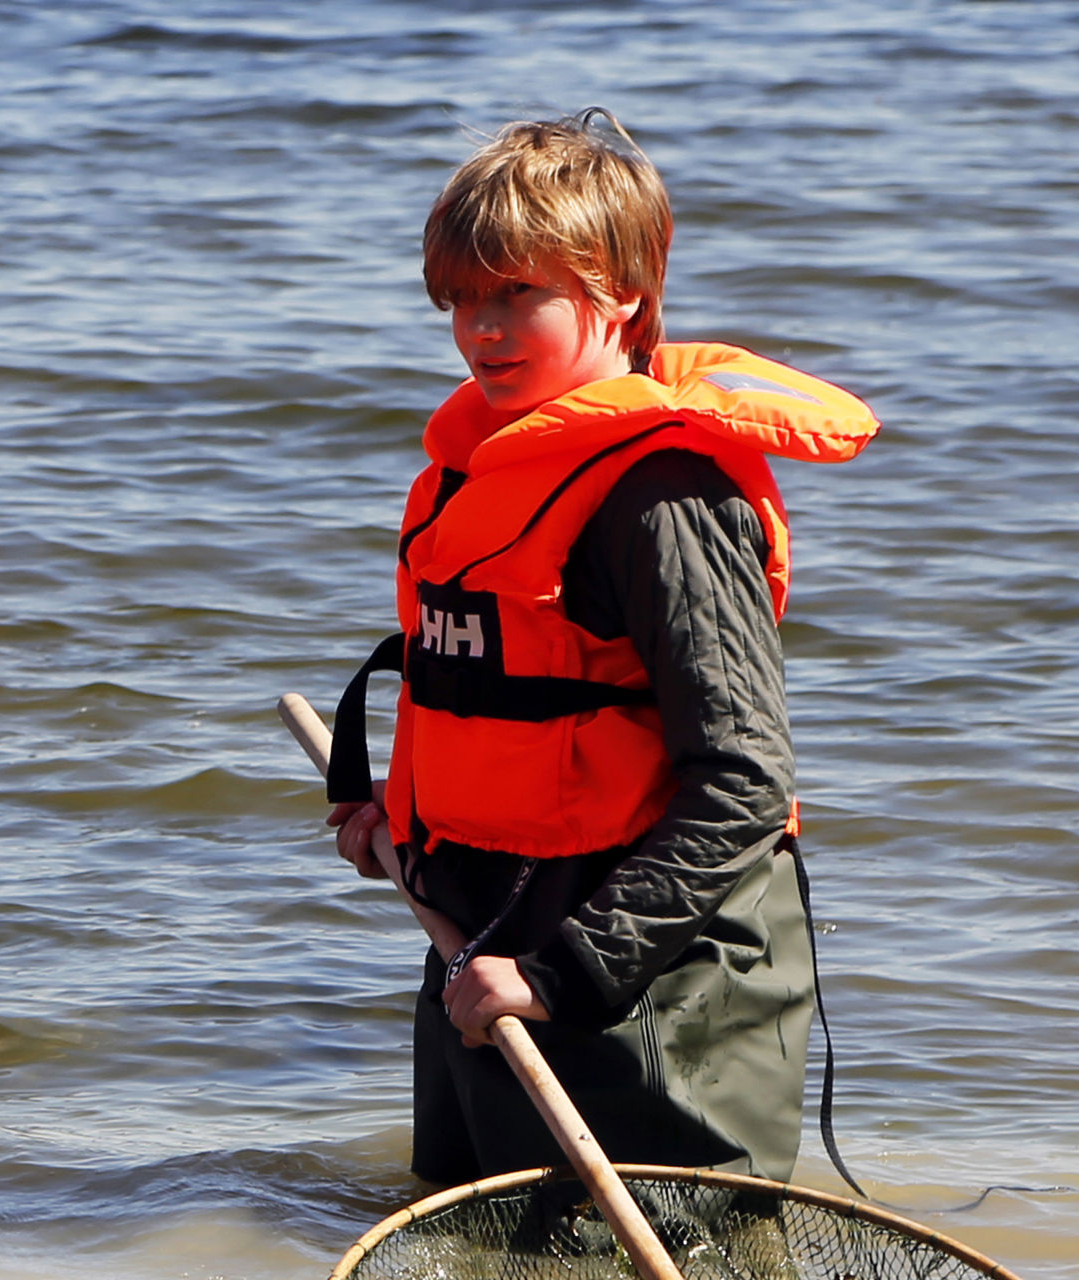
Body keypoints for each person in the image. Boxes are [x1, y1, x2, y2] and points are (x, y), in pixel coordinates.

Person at [320, 110, 879, 1187]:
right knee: (470, 1236)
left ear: (621, 293)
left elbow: (745, 785)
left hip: (652, 984)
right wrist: (409, 817)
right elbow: (524, 710)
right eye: (462, 300)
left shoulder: (664, 499)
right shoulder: (482, 472)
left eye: (516, 294)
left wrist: (558, 976)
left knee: (660, 1251)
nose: (482, 330)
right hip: (483, 939)